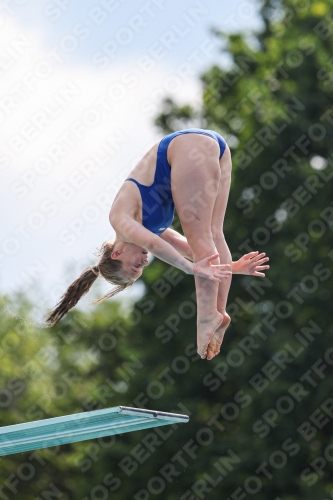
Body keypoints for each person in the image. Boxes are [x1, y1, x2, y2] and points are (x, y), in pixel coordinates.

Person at [46, 129, 269, 360]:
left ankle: (206, 318)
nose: (144, 262)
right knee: (213, 234)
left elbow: (157, 245)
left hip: (187, 149)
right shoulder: (149, 226)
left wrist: (190, 268)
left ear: (117, 253)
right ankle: (219, 312)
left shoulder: (120, 220)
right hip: (216, 147)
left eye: (134, 266)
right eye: (141, 269)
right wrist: (233, 267)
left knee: (203, 239)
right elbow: (194, 253)